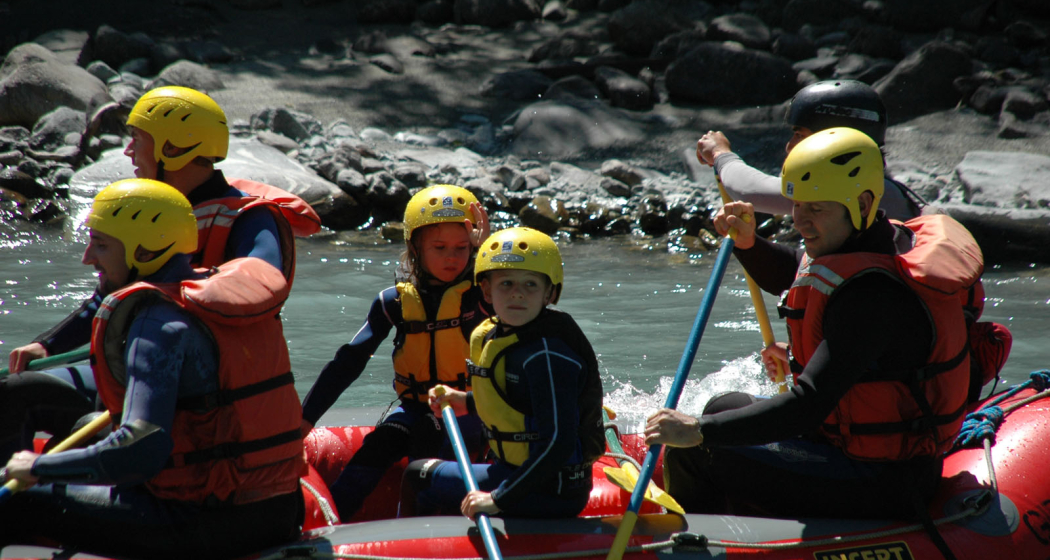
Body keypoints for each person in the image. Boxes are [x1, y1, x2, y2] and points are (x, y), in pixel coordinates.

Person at [645, 128, 982, 522]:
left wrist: (698, 430)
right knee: (725, 406)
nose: (801, 222)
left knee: (697, 447)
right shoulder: (872, 238)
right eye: (797, 206)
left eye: (816, 209)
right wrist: (750, 244)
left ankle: (694, 542)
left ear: (862, 202)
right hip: (840, 445)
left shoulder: (874, 296)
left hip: (884, 480)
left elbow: (807, 405)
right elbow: (800, 273)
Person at [2, 86, 319, 462]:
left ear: (174, 147)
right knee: (13, 391)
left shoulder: (250, 218)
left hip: (202, 385)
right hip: (138, 369)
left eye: (137, 138)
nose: (127, 150)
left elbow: (263, 280)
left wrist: (175, 284)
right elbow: (114, 296)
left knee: (80, 428)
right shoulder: (151, 210)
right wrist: (48, 344)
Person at [0, 179, 306, 559]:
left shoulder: (157, 323)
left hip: (202, 524)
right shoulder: (219, 297)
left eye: (102, 244)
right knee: (84, 430)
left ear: (145, 249)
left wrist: (39, 466)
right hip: (281, 511)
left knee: (15, 502)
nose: (87, 257)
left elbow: (139, 452)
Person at [300, 184, 492, 519]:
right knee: (376, 448)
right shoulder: (394, 302)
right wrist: (303, 421)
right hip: (413, 410)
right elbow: (349, 361)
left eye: (462, 247)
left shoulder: (483, 296)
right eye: (440, 247)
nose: (452, 257)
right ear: (415, 248)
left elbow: (513, 284)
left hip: (469, 414)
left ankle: (424, 529)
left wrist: (486, 249)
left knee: (431, 449)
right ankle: (329, 526)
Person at [400, 227, 605, 519]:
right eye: (506, 283)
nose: (517, 293)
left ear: (550, 292)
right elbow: (517, 402)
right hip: (518, 473)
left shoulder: (547, 356)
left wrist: (499, 498)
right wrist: (466, 401)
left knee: (417, 474)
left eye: (531, 285)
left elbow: (559, 443)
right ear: (486, 290)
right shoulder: (499, 336)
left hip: (551, 489)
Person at [696, 79, 924, 220]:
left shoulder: (857, 189)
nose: (789, 146)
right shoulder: (877, 185)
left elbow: (749, 191)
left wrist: (720, 155)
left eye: (800, 135)